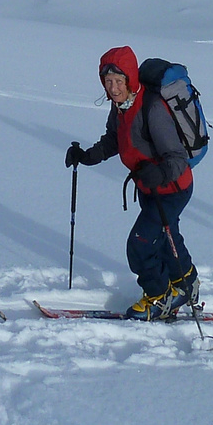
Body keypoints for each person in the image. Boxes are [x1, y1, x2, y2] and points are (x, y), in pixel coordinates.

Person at [66, 46, 198, 320]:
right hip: (150, 189)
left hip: (172, 189)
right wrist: (87, 156)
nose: (113, 88)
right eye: (108, 81)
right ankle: (187, 284)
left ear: (130, 80)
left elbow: (177, 158)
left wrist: (160, 174)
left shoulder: (152, 109)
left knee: (140, 244)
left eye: (118, 80)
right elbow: (115, 139)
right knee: (166, 237)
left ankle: (158, 297)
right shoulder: (120, 108)